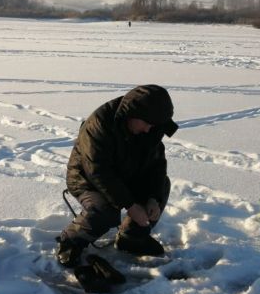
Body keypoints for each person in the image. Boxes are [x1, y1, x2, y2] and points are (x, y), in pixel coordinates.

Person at [57, 84, 178, 268]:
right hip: (87, 178)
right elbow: (99, 172)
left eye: (152, 125)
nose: (148, 129)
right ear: (132, 113)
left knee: (162, 185)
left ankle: (132, 238)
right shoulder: (99, 124)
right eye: (146, 123)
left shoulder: (150, 127)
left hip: (125, 174)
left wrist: (153, 197)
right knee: (105, 210)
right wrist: (130, 205)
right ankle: (70, 241)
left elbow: (157, 166)